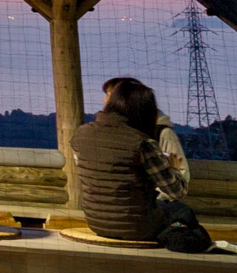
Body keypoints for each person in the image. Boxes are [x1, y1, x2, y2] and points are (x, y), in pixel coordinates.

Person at [74, 77, 216, 253]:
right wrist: (172, 168)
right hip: (138, 227)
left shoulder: (81, 134)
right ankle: (178, 239)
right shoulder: (142, 143)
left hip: (97, 222)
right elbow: (178, 191)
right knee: (182, 211)